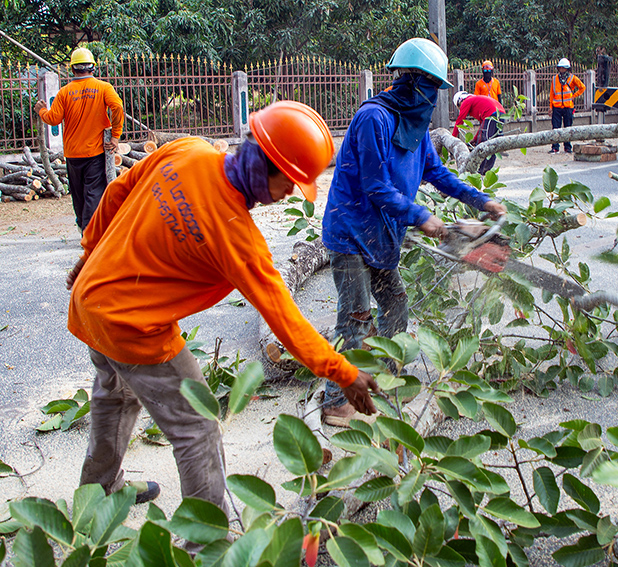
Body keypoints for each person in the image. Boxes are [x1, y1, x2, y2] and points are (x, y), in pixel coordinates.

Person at [65, 101, 379, 510]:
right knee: (197, 427)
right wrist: (344, 372)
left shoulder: (188, 151)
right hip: (133, 330)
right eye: (289, 183)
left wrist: (88, 254)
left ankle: (97, 492)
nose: (288, 196)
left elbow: (116, 193)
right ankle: (210, 542)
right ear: (269, 164)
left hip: (91, 298)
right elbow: (286, 320)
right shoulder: (239, 240)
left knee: (114, 393)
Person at [321, 38, 507, 426]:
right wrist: (420, 215)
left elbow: (437, 173)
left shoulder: (415, 125)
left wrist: (481, 201)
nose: (432, 99)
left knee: (396, 305)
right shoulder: (375, 118)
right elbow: (375, 184)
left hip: (381, 233)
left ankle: (385, 377)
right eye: (430, 89)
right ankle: (335, 400)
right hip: (351, 231)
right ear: (413, 82)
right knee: (354, 316)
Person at [35, 47, 124, 232]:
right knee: (93, 192)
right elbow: (117, 107)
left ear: (73, 69)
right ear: (93, 67)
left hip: (73, 153)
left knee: (77, 194)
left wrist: (41, 111)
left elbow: (54, 119)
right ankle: (88, 231)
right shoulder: (103, 87)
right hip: (95, 152)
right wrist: (115, 136)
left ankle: (83, 227)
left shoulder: (64, 92)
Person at [452, 90, 506, 174]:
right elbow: (482, 125)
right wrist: (474, 139)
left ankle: (479, 170)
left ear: (460, 101)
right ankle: (487, 169)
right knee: (494, 143)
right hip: (501, 113)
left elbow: (459, 121)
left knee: (483, 143)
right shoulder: (476, 100)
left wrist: (452, 138)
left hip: (491, 114)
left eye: (459, 107)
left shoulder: (467, 101)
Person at [549, 58, 585, 154]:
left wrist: (574, 96)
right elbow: (552, 93)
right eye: (560, 68)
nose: (561, 70)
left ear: (567, 69)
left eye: (563, 68)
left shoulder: (573, 78)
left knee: (568, 127)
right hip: (557, 107)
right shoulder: (555, 79)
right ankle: (555, 147)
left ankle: (567, 147)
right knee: (556, 128)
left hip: (568, 107)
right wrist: (550, 107)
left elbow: (582, 87)